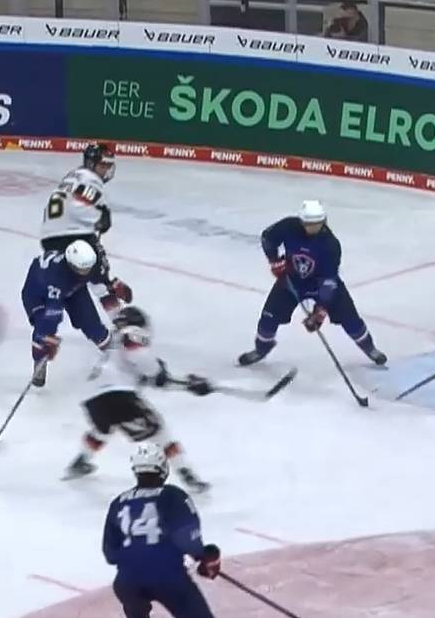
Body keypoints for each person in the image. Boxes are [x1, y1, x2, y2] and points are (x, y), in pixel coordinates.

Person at [103, 442, 262, 618]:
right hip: (169, 577)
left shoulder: (118, 502)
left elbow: (110, 552)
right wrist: (205, 556)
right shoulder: (172, 496)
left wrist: (136, 559)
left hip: (127, 579)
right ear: (162, 469)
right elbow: (188, 538)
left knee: (136, 612)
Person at [66, 306, 213, 493]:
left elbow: (149, 379)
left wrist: (186, 384)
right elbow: (144, 361)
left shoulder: (111, 344)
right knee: (160, 432)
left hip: (92, 398)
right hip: (119, 394)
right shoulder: (132, 333)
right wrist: (159, 372)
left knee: (104, 428)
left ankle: (81, 461)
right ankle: (187, 474)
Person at [237, 200, 386, 367]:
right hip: (291, 280)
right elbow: (268, 237)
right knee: (269, 317)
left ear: (323, 221)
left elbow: (328, 281)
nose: (312, 227)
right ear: (301, 221)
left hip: (320, 284)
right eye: (308, 223)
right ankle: (261, 349)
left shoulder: (330, 245)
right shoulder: (289, 226)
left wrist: (320, 311)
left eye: (316, 223)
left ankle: (369, 348)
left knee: (350, 318)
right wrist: (275, 261)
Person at [40, 142, 132, 316]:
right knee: (99, 276)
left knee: (89, 278)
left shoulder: (71, 177)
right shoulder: (91, 180)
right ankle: (119, 315)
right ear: (91, 164)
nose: (106, 170)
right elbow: (77, 206)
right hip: (74, 235)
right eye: (103, 165)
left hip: (49, 237)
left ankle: (46, 321)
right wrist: (99, 218)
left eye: (108, 165)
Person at [19, 240, 112, 387]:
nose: (86, 272)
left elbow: (100, 278)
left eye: (88, 268)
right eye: (82, 269)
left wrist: (112, 286)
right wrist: (47, 339)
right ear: (71, 265)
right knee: (42, 328)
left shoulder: (86, 266)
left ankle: (114, 351)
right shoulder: (56, 278)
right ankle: (39, 362)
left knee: (90, 322)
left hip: (73, 288)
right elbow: (52, 315)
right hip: (38, 294)